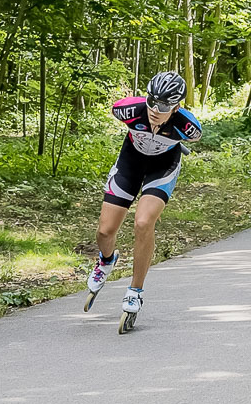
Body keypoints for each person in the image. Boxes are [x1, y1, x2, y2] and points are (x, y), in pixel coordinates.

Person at [84, 71, 202, 329]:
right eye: (152, 102)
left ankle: (135, 291)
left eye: (164, 106)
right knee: (105, 231)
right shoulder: (127, 110)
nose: (155, 110)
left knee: (143, 222)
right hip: (131, 162)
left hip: (162, 167)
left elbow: (192, 135)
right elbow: (123, 108)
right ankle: (106, 260)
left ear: (176, 107)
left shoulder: (188, 127)